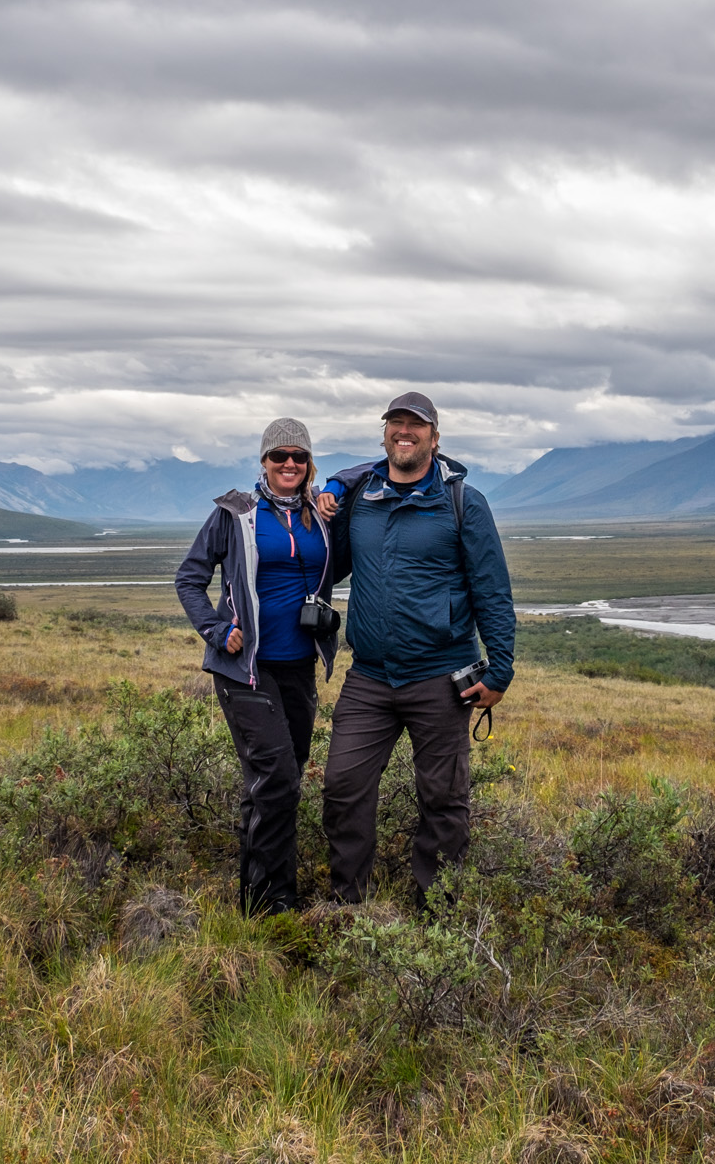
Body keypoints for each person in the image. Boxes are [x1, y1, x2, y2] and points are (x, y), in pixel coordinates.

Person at [316, 391, 514, 905]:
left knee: (444, 801)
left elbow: (491, 588)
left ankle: (436, 916)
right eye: (395, 424)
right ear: (384, 433)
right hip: (370, 677)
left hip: (441, 676)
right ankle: (347, 905)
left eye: (416, 426)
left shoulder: (462, 502)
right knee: (342, 786)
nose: (404, 433)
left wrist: (500, 670)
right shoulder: (361, 497)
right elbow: (327, 567)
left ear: (435, 436)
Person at [175, 417, 338, 915]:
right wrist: (218, 631)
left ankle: (260, 899)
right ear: (263, 462)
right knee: (280, 778)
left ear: (310, 465)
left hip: (298, 666)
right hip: (244, 668)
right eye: (279, 456)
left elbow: (372, 469)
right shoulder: (235, 513)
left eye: (300, 457)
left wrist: (336, 486)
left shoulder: (322, 512)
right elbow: (189, 577)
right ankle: (274, 904)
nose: (289, 464)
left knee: (272, 785)